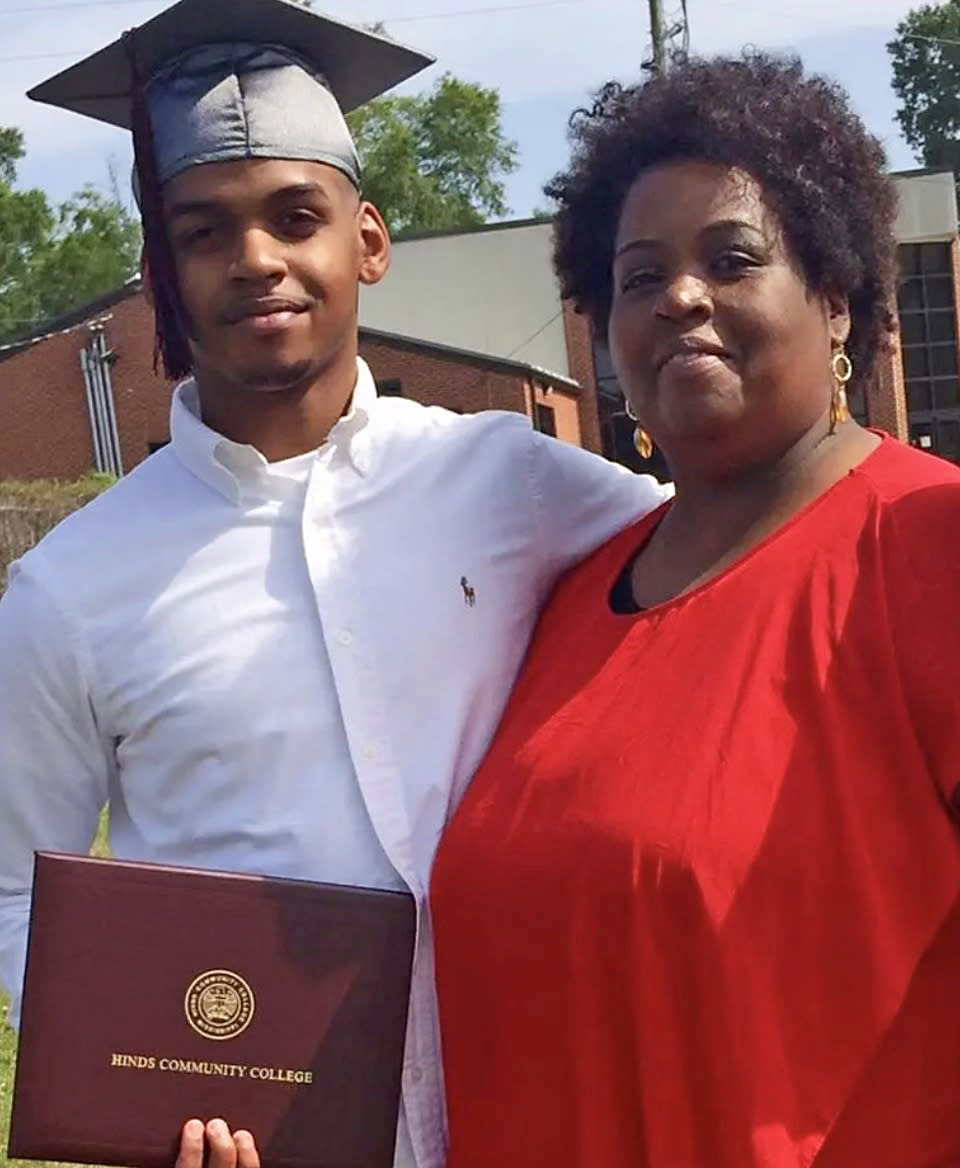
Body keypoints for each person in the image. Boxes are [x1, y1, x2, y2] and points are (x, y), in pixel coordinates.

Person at [0, 4, 669, 1167]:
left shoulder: (511, 481)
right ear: (161, 266)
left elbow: (726, 572)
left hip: (538, 1113)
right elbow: (13, 894)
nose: (256, 260)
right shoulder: (69, 590)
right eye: (203, 230)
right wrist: (137, 1083)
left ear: (367, 240)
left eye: (295, 217)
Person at [429, 53, 960, 1168]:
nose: (679, 296)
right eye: (638, 275)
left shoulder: (926, 547)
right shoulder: (570, 594)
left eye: (732, 259)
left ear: (836, 301)